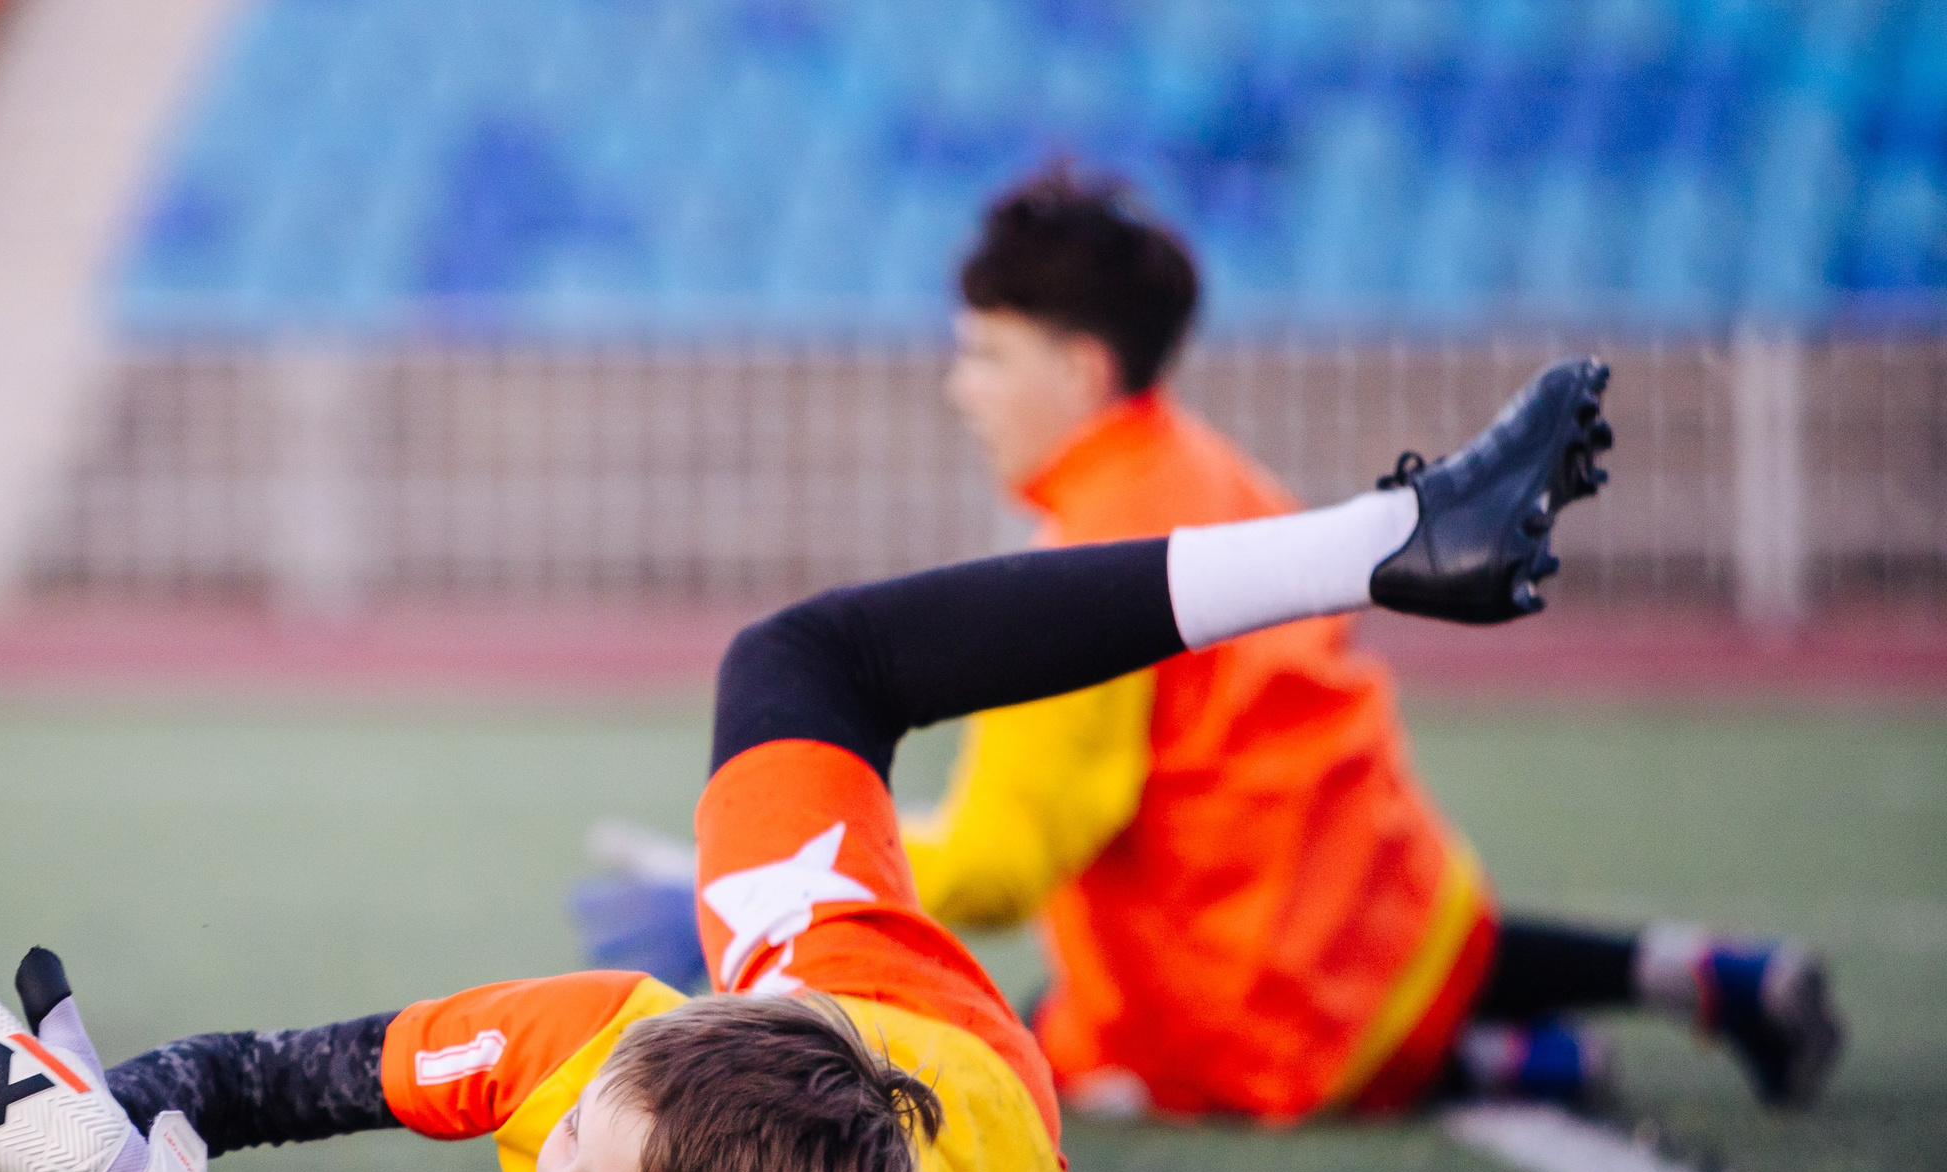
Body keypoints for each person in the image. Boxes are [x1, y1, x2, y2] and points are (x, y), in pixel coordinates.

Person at [0, 357, 1610, 1172]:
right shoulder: (604, 1049)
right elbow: (269, 1080)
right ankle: (1380, 544)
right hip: (876, 1011)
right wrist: (94, 1115)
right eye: (582, 1136)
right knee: (798, 666)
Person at [577, 167, 1842, 1120]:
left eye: (983, 354)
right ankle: (1699, 975)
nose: (960, 387)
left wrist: (759, 893)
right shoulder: (1200, 465)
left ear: (1076, 365)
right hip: (1370, 883)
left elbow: (1014, 860)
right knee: (1422, 960)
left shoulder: (1093, 542)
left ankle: (1500, 1061)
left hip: (1237, 979)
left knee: (1003, 1051)